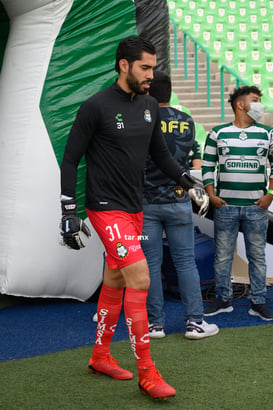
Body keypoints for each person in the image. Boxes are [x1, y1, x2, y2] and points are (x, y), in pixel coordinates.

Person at [59, 36, 209, 400]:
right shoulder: (95, 106)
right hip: (105, 207)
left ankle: (100, 356)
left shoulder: (148, 106)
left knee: (115, 279)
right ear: (123, 65)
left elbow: (159, 153)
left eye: (152, 67)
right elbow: (70, 159)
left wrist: (189, 182)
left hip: (134, 208)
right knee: (140, 277)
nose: (150, 75)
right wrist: (68, 212)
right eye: (144, 67)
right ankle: (148, 372)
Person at [141, 70, 219, 339]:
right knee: (186, 263)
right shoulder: (185, 119)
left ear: (148, 91)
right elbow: (188, 158)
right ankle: (195, 323)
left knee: (150, 264)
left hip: (146, 203)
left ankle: (155, 325)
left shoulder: (142, 117)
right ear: (170, 92)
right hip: (178, 199)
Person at [202, 85, 273, 320]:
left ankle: (259, 301)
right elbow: (207, 165)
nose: (259, 105)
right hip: (226, 206)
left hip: (257, 207)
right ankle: (223, 299)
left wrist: (270, 194)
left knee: (257, 255)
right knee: (222, 255)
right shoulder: (217, 133)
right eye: (255, 100)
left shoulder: (268, 133)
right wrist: (211, 195)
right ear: (240, 104)